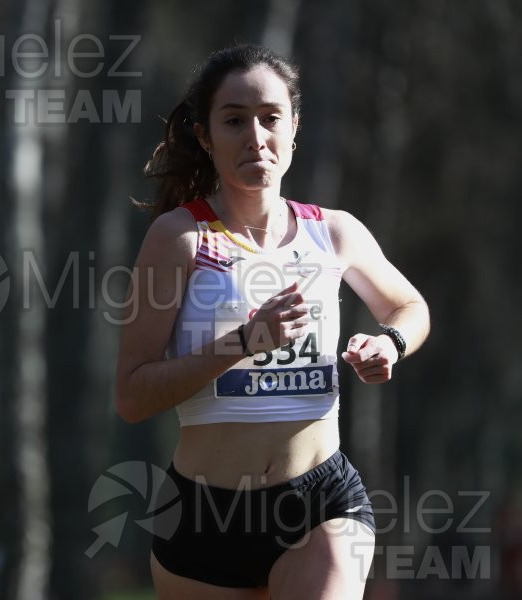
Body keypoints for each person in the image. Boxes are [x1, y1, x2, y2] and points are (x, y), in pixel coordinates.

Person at [114, 44, 430, 599]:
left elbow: (411, 307)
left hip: (319, 504)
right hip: (203, 519)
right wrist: (243, 342)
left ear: (294, 127)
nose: (255, 137)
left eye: (270, 118)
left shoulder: (333, 232)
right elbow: (133, 396)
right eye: (234, 121)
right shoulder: (180, 238)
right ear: (206, 137)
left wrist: (392, 344)